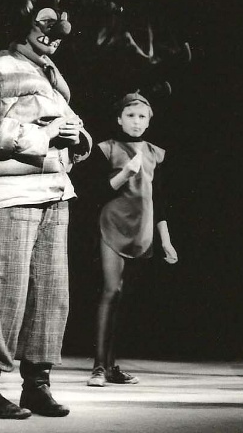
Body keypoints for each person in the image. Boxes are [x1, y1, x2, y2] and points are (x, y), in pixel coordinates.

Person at [0, 0, 92, 419]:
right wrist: (43, 136)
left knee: (52, 294)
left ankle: (37, 384)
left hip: (55, 192)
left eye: (59, 26)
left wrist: (77, 138)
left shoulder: (51, 74)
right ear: (24, 23)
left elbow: (69, 129)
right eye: (45, 24)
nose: (54, 34)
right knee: (5, 291)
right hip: (11, 195)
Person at [86, 92, 178, 387]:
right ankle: (99, 367)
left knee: (125, 299)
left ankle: (112, 366)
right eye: (130, 116)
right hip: (113, 225)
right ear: (119, 119)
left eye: (142, 117)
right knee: (111, 291)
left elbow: (159, 200)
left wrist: (166, 240)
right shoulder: (107, 149)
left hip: (143, 231)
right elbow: (97, 192)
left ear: (149, 121)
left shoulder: (155, 153)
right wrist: (126, 171)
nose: (136, 122)